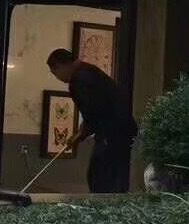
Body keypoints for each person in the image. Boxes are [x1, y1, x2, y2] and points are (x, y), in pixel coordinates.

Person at [46, 49, 136, 194]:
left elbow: (93, 112)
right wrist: (81, 132)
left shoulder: (79, 80)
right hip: (122, 132)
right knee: (113, 176)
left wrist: (79, 136)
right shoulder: (90, 71)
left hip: (111, 133)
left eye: (55, 72)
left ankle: (104, 206)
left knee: (101, 178)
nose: (57, 77)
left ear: (62, 66)